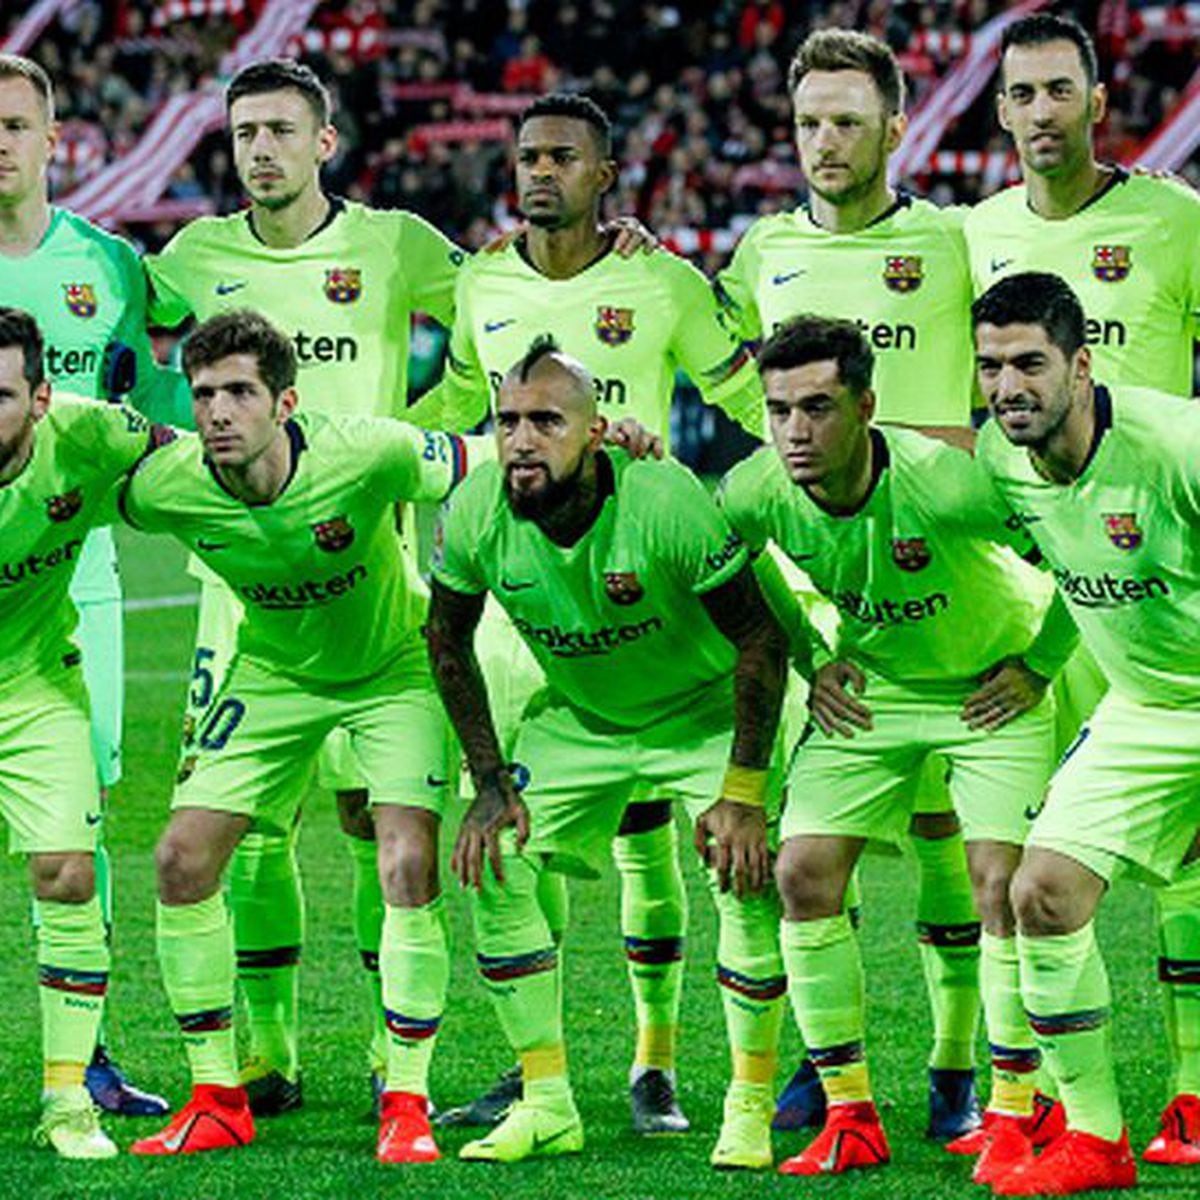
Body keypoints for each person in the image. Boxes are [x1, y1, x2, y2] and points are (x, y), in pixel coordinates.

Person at [412, 91, 764, 1135]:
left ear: (604, 174)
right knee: (525, 833)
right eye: (528, 156)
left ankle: (655, 1063)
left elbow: (750, 399)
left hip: (639, 572)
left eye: (563, 157)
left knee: (650, 837)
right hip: (525, 591)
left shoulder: (662, 279)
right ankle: (537, 1069)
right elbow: (455, 410)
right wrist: (356, 447)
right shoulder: (481, 279)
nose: (540, 172)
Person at [115, 310, 487, 1162]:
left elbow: (492, 459)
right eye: (204, 394)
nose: (218, 412)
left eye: (240, 392)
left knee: (405, 862)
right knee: (180, 860)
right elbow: (71, 480)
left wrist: (613, 443)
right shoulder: (170, 484)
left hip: (392, 669)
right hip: (273, 674)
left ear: (285, 403)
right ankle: (217, 1099)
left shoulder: (366, 452)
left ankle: (406, 1101)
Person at [718, 312, 1076, 1178]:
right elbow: (744, 567)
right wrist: (812, 653)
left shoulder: (949, 483)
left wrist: (1039, 665)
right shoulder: (754, 488)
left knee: (1000, 886)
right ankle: (851, 1117)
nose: (795, 431)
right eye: (779, 410)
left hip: (989, 690)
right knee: (800, 874)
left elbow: (1079, 549)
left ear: (866, 407)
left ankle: (1017, 1108)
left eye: (818, 408)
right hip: (875, 690)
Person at [426, 339, 790, 1167]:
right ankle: (548, 1103)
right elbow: (445, 637)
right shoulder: (476, 509)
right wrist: (488, 781)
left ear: (595, 433)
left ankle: (748, 1107)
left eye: (546, 422)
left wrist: (742, 789)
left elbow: (760, 640)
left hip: (701, 712)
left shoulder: (664, 499)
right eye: (508, 422)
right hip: (584, 718)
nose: (522, 441)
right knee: (498, 855)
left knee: (743, 875)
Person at [718, 28, 987, 1138]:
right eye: (808, 122)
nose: (824, 142)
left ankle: (958, 1063)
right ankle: (825, 1066)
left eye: (847, 121)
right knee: (820, 840)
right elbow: (729, 379)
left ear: (897, 127)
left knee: (947, 841)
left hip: (948, 574)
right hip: (820, 584)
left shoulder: (957, 241)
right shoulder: (762, 252)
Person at [965, 13, 1200, 1165]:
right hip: (1112, 647)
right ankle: (1061, 1117)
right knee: (1033, 885)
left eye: (1061, 89)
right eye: (1021, 93)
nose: (1041, 111)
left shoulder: (1175, 219)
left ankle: (1191, 1095)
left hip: (1170, 540)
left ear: (1098, 101)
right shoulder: (972, 237)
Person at [0, 52, 184, 1118]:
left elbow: (155, 392)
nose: (0, 142)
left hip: (81, 573)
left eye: (16, 124)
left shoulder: (109, 264)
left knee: (82, 805)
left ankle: (91, 1050)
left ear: (54, 140)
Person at [0, 307, 170, 1157]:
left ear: (40, 400)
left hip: (33, 685)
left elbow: (181, 457)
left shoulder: (91, 433)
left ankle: (67, 1100)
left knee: (68, 874)